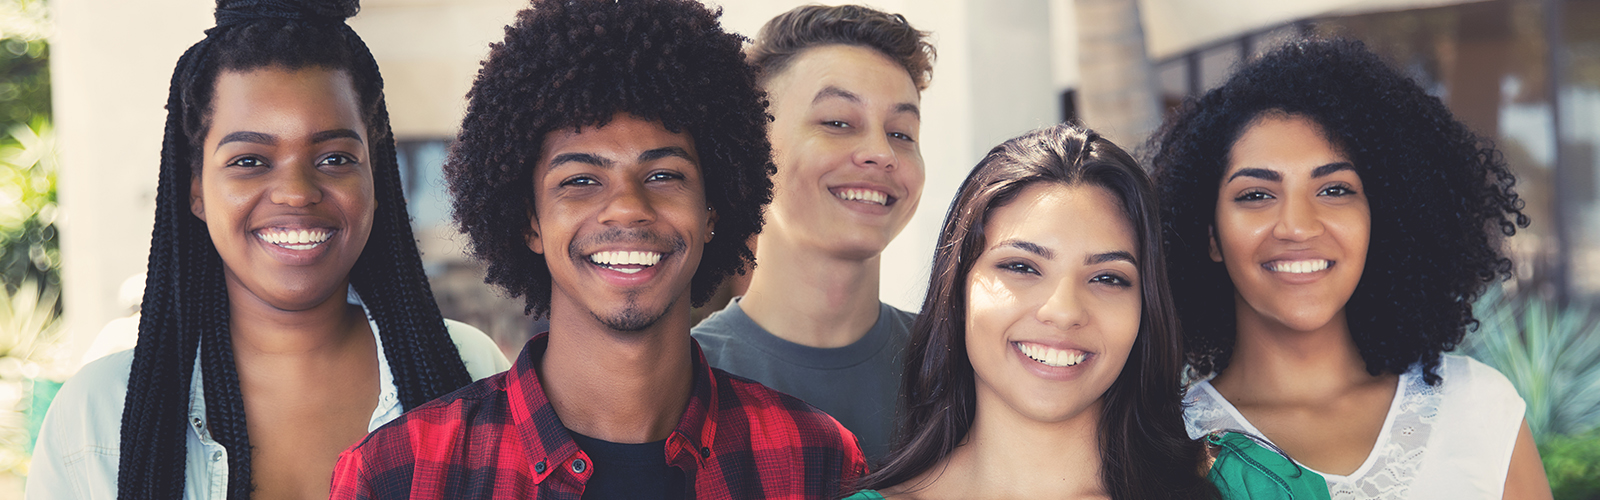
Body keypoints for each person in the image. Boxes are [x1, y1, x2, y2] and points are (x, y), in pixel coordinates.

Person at [327, 0, 868, 497]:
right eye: (581, 180)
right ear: (530, 223)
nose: (627, 208)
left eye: (662, 174)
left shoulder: (815, 459)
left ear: (712, 213)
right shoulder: (402, 473)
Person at [26, 1, 510, 498]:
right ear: (196, 188)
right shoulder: (97, 418)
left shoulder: (473, 375)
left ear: (375, 178)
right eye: (251, 160)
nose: (296, 192)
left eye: (335, 157)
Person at [1150, 38, 1552, 499]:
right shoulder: (1165, 446)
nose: (1297, 227)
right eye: (1256, 195)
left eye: (1335, 189)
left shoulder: (1479, 409)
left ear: (1379, 218)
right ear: (1210, 236)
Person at [844, 124, 1327, 500]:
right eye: (1021, 266)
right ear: (958, 290)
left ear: (1147, 311)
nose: (1064, 310)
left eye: (1108, 278)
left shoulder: (1256, 488)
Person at [691, 4, 935, 463]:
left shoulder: (958, 370)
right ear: (751, 148)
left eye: (902, 133)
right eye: (837, 122)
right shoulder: (684, 385)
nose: (881, 153)